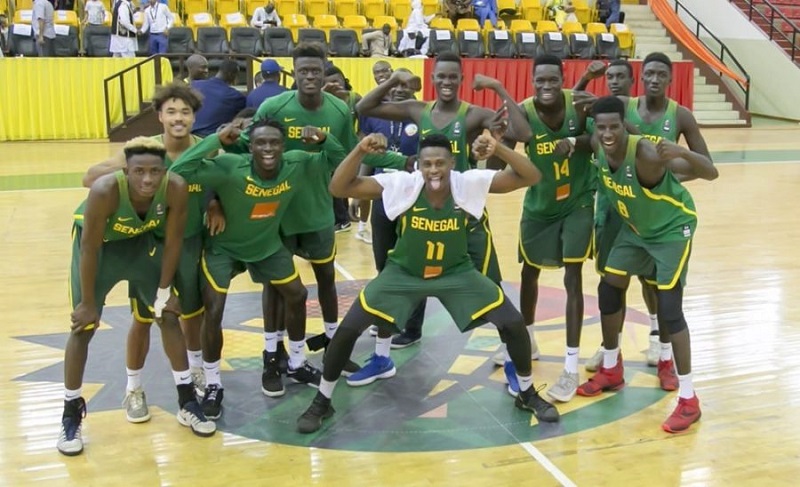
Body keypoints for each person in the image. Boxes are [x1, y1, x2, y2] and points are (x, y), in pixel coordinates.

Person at [296, 131, 560, 434]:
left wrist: (498, 147)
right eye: (427, 164)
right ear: (418, 165)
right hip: (405, 273)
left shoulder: (467, 183)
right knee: (348, 330)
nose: (434, 170)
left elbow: (530, 176)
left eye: (440, 163)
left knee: (512, 322)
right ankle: (323, 400)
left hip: (456, 273)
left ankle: (526, 393)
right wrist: (359, 150)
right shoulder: (403, 184)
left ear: (452, 163)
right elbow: (339, 186)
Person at [233, 44, 410, 394]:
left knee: (326, 279)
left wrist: (403, 163)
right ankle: (274, 355)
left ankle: (333, 347)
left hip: (317, 208)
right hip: (278, 212)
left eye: (316, 70)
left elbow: (350, 155)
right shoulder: (274, 107)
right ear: (293, 73)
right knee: (275, 286)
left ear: (324, 70)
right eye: (303, 71)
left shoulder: (338, 110)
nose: (310, 76)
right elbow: (246, 148)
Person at [169, 120, 347, 417]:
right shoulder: (230, 167)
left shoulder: (296, 162)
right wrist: (214, 139)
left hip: (266, 247)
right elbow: (178, 173)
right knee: (213, 310)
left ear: (283, 146)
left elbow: (340, 163)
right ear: (249, 147)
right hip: (223, 248)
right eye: (260, 143)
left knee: (297, 294)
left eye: (274, 142)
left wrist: (324, 136)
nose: (268, 148)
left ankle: (296, 362)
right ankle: (213, 383)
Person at [357, 52, 531, 352]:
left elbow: (522, 132)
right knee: (414, 269)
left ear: (462, 79)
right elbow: (364, 107)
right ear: (433, 78)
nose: (447, 81)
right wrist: (396, 79)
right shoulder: (417, 108)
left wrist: (498, 89)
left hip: (464, 208)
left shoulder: (473, 113)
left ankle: (509, 343)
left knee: (489, 279)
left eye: (453, 76)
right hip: (423, 207)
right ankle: (403, 335)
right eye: (442, 76)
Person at [58, 137, 215, 457]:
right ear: (125, 171)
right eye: (139, 171)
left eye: (155, 172)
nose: (147, 179)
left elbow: (172, 243)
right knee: (83, 327)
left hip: (140, 246)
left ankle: (187, 400)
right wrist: (88, 303)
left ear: (164, 171)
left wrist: (162, 292)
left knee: (167, 314)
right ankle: (70, 412)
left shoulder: (176, 187)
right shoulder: (104, 190)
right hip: (99, 253)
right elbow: (89, 247)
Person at [572, 95, 718, 433]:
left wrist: (682, 152)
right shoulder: (598, 142)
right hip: (636, 230)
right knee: (609, 288)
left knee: (670, 309)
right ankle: (611, 367)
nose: (607, 134)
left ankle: (688, 399)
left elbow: (710, 172)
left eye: (614, 127)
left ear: (625, 127)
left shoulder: (648, 155)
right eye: (602, 127)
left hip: (671, 230)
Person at [82, 82, 208, 420]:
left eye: (185, 111)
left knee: (191, 314)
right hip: (150, 244)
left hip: (192, 243)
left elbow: (224, 182)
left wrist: (220, 207)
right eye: (171, 111)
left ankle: (195, 372)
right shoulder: (146, 152)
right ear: (160, 116)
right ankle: (133, 388)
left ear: (195, 117)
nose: (178, 117)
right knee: (146, 316)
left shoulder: (209, 150)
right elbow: (89, 177)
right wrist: (133, 171)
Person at [503, 55, 594, 404]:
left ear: (563, 78)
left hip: (578, 201)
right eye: (539, 80)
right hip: (539, 205)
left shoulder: (579, 103)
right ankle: (527, 341)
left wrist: (574, 143)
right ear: (531, 80)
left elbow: (599, 138)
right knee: (530, 273)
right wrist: (497, 142)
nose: (546, 86)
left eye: (552, 80)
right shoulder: (523, 112)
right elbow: (501, 158)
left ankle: (570, 367)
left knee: (574, 276)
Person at [323, 65, 364, 239]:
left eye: (337, 81)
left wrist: (358, 142)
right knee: (334, 183)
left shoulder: (355, 99)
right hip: (331, 148)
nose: (334, 84)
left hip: (351, 148)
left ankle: (344, 219)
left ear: (344, 81)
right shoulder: (324, 101)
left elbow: (364, 125)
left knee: (348, 182)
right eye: (329, 82)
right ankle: (342, 217)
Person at [192, 60, 246, 137]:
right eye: (237, 75)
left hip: (189, 135)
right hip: (213, 139)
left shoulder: (195, 85)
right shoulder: (235, 96)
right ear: (231, 75)